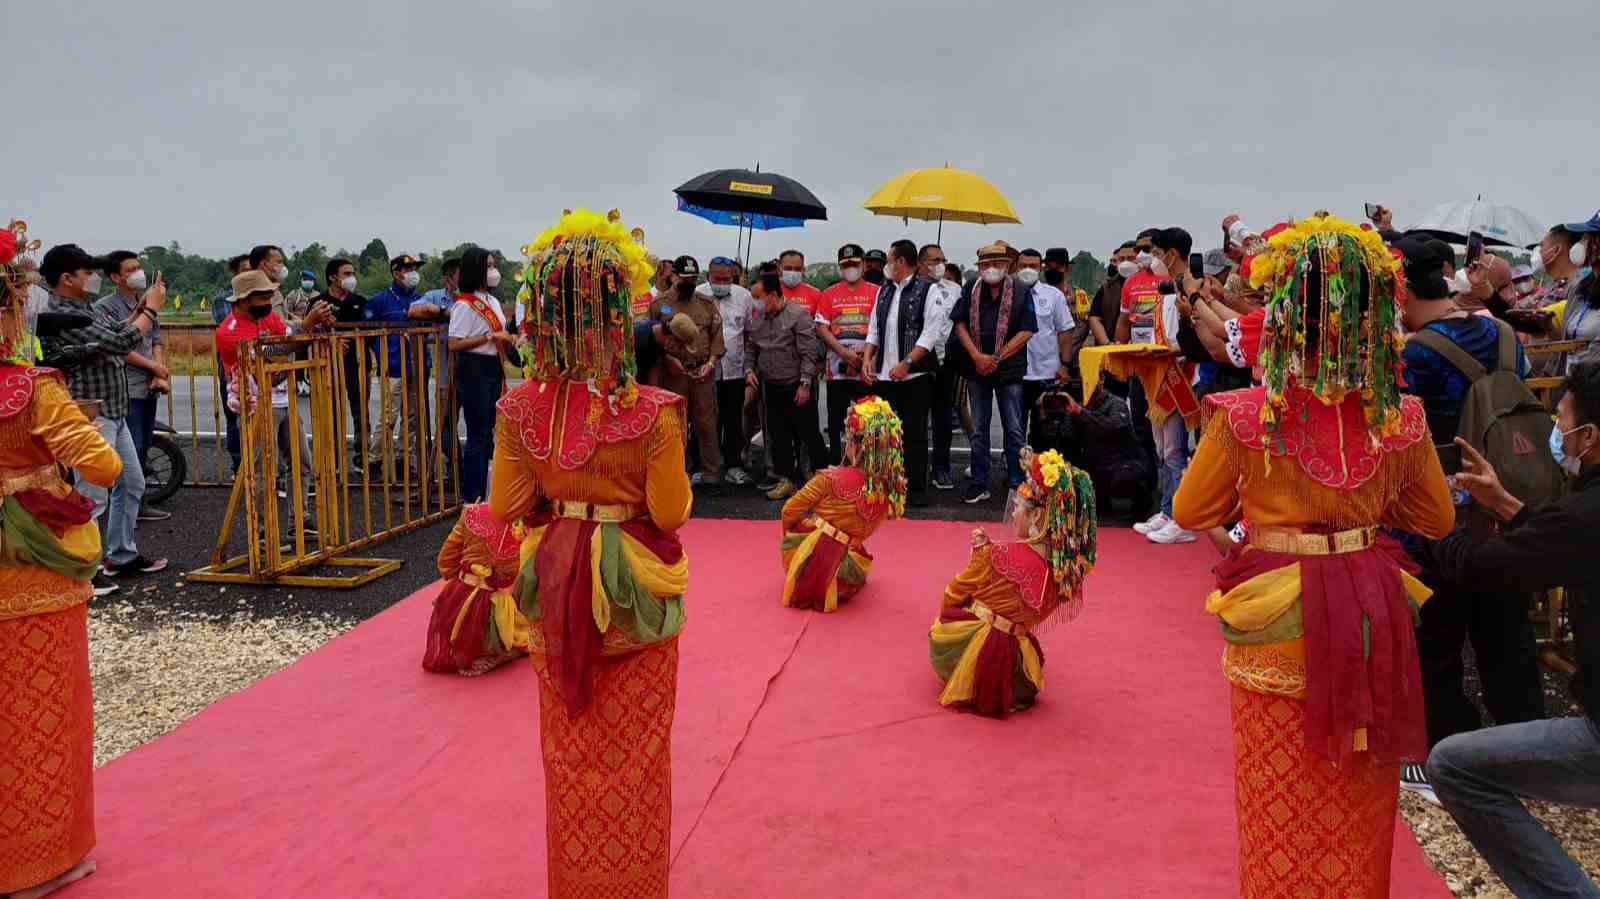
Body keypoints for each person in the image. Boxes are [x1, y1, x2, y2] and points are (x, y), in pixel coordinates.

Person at [1172, 214, 1456, 898]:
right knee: (1357, 793)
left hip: (1277, 617)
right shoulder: (1402, 416)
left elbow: (1189, 510)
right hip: (1369, 608)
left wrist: (1254, 521)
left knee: (1277, 792)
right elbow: (1437, 520)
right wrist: (1365, 507)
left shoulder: (1243, 414)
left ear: (1282, 312)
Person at [487, 208, 690, 899]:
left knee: (567, 750)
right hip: (633, 586)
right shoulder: (653, 409)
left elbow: (507, 507)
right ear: (617, 309)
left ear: (542, 310)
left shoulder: (519, 409)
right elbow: (670, 513)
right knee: (638, 751)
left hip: (556, 577)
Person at [1422, 363, 1600, 898]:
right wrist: (1502, 502)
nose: (1554, 434)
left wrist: (1431, 521)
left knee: (1453, 766)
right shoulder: (1581, 516)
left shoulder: (1585, 516)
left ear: (1588, 437)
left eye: (1559, 422)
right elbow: (1559, 540)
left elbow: (1483, 568)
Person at [0, 220, 124, 899]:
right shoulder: (32, 389)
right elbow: (103, 466)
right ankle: (40, 859)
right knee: (40, 711)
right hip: (33, 567)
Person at [37, 244, 169, 590]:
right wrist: (151, 310)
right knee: (92, 493)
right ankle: (86, 566)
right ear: (67, 278)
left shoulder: (84, 308)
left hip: (113, 408)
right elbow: (120, 343)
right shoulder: (60, 313)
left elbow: (117, 331)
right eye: (89, 272)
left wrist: (141, 307)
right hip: (89, 413)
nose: (94, 278)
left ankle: (121, 555)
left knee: (132, 483)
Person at [929, 447, 1096, 717]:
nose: (1013, 513)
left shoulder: (997, 555)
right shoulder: (1066, 576)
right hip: (1021, 674)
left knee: (940, 631)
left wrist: (979, 560)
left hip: (975, 651)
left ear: (1037, 516)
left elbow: (954, 593)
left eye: (1017, 506)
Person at [217, 270, 333, 541]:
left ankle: (300, 521)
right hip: (255, 404)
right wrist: (307, 326)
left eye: (270, 296)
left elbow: (288, 338)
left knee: (301, 462)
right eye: (263, 297)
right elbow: (273, 352)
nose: (269, 302)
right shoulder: (228, 332)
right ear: (243, 300)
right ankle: (262, 532)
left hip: (283, 398)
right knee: (262, 471)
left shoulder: (267, 316)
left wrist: (316, 330)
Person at [778, 395, 905, 611]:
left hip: (815, 569)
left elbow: (788, 510)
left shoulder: (829, 479)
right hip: (851, 574)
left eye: (848, 437)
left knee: (798, 523)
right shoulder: (889, 489)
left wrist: (791, 540)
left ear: (857, 444)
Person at [950, 242, 1039, 504]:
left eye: (997, 263)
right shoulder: (971, 287)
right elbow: (959, 324)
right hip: (977, 368)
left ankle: (1017, 482)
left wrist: (997, 357)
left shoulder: (1021, 290)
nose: (991, 268)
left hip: (1008, 369)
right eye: (986, 264)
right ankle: (980, 482)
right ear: (979, 267)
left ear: (1007, 266)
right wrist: (977, 356)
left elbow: (1027, 330)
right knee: (979, 428)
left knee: (1014, 429)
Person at [862, 239, 947, 507]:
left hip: (915, 375)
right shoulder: (884, 290)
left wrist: (907, 362)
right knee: (884, 434)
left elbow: (931, 333)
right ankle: (886, 486)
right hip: (885, 375)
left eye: (889, 260)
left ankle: (916, 489)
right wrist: (867, 358)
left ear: (901, 262)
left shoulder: (928, 289)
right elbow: (874, 328)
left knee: (914, 434)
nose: (886, 266)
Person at [1128, 227, 1199, 544]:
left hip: (1180, 375)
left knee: (1175, 451)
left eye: (1157, 253)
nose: (1153, 259)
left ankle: (1182, 518)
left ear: (1171, 254)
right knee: (1163, 450)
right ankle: (1167, 510)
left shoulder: (1190, 286)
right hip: (1160, 374)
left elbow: (1195, 337)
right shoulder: (1166, 288)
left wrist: (1170, 352)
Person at [93, 250, 172, 522]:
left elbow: (156, 339)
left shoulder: (147, 302)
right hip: (126, 386)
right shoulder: (105, 308)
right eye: (130, 270)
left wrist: (158, 372)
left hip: (149, 385)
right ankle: (129, 508)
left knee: (144, 443)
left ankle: (136, 504)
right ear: (115, 277)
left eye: (139, 267)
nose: (138, 273)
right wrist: (153, 367)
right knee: (132, 447)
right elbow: (119, 347)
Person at [746, 261, 826, 500]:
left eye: (758, 297)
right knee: (779, 437)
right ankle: (787, 480)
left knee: (809, 434)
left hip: (796, 385)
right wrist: (749, 369)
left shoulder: (798, 315)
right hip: (771, 385)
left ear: (772, 295)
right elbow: (751, 348)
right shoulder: (758, 319)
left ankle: (823, 480)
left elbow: (809, 353)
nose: (755, 302)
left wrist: (805, 384)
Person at [421, 502, 529, 676]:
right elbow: (507, 579)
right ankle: (496, 651)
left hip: (456, 599)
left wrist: (462, 574)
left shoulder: (472, 513)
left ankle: (468, 649)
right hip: (491, 608)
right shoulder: (522, 527)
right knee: (525, 630)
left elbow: (445, 561)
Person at [647, 255, 723, 486]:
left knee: (707, 424)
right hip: (674, 374)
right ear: (673, 276)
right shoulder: (659, 304)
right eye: (684, 278)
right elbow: (650, 339)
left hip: (703, 373)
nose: (689, 282)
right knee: (675, 425)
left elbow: (717, 336)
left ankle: (711, 475)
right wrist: (668, 359)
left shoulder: (706, 303)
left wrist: (711, 363)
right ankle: (678, 474)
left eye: (693, 278)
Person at [446, 248, 514, 503]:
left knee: (488, 433)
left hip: (493, 366)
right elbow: (454, 343)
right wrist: (487, 337)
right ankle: (472, 496)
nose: (494, 271)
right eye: (489, 266)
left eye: (494, 265)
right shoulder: (464, 304)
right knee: (477, 433)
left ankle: (487, 491)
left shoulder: (492, 301)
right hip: (473, 368)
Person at [364, 254, 430, 481]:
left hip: (417, 367)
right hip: (392, 368)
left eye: (414, 268)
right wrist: (383, 354)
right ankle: (375, 461)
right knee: (388, 418)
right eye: (407, 269)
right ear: (396, 273)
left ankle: (404, 460)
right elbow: (367, 333)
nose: (413, 273)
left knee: (412, 418)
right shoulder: (380, 301)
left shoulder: (421, 301)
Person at [815, 244, 877, 460]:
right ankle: (836, 464)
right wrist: (844, 353)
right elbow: (822, 327)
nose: (850, 268)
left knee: (869, 421)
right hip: (837, 370)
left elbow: (880, 327)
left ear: (864, 264)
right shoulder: (828, 294)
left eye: (855, 263)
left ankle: (867, 464)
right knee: (836, 423)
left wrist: (863, 357)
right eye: (845, 264)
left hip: (868, 370)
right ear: (840, 266)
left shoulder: (876, 292)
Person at [700, 257, 754, 485]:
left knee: (733, 419)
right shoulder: (699, 294)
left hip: (734, 368)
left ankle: (733, 465)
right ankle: (705, 467)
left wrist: (748, 366)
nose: (722, 283)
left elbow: (749, 332)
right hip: (705, 369)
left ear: (733, 277)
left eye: (727, 279)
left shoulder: (744, 296)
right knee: (706, 419)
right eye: (717, 279)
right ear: (708, 277)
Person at [1017, 248, 1075, 448]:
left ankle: (1043, 465)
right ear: (1016, 267)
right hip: (1014, 374)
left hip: (1046, 373)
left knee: (1045, 429)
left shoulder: (1053, 296)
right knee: (1014, 427)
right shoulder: (1007, 294)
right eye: (1023, 265)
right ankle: (1015, 464)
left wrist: (1065, 365)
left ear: (1040, 268)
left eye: (1032, 266)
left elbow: (1065, 331)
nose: (1028, 269)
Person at [312, 257, 370, 452]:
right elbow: (307, 333)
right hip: (329, 367)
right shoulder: (318, 303)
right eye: (347, 274)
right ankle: (334, 457)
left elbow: (372, 334)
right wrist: (330, 341)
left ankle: (362, 456)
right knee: (332, 413)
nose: (352, 278)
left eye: (353, 273)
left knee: (361, 413)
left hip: (358, 365)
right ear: (332, 277)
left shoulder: (361, 302)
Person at [923, 245, 966, 491]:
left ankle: (941, 467)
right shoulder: (914, 289)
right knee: (915, 419)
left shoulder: (955, 290)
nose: (939, 265)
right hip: (919, 362)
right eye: (934, 260)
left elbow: (961, 324)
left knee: (943, 419)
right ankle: (914, 467)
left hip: (946, 363)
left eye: (942, 260)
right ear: (922, 263)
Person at [1539, 214, 1600, 373]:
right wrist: (1549, 327)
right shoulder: (1579, 289)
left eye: (1587, 237)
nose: (1581, 243)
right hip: (1569, 381)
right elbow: (1565, 345)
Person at [777, 249, 822, 316]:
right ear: (779, 268)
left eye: (797, 269)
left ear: (803, 270)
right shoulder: (769, 292)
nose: (792, 272)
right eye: (788, 268)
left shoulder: (816, 295)